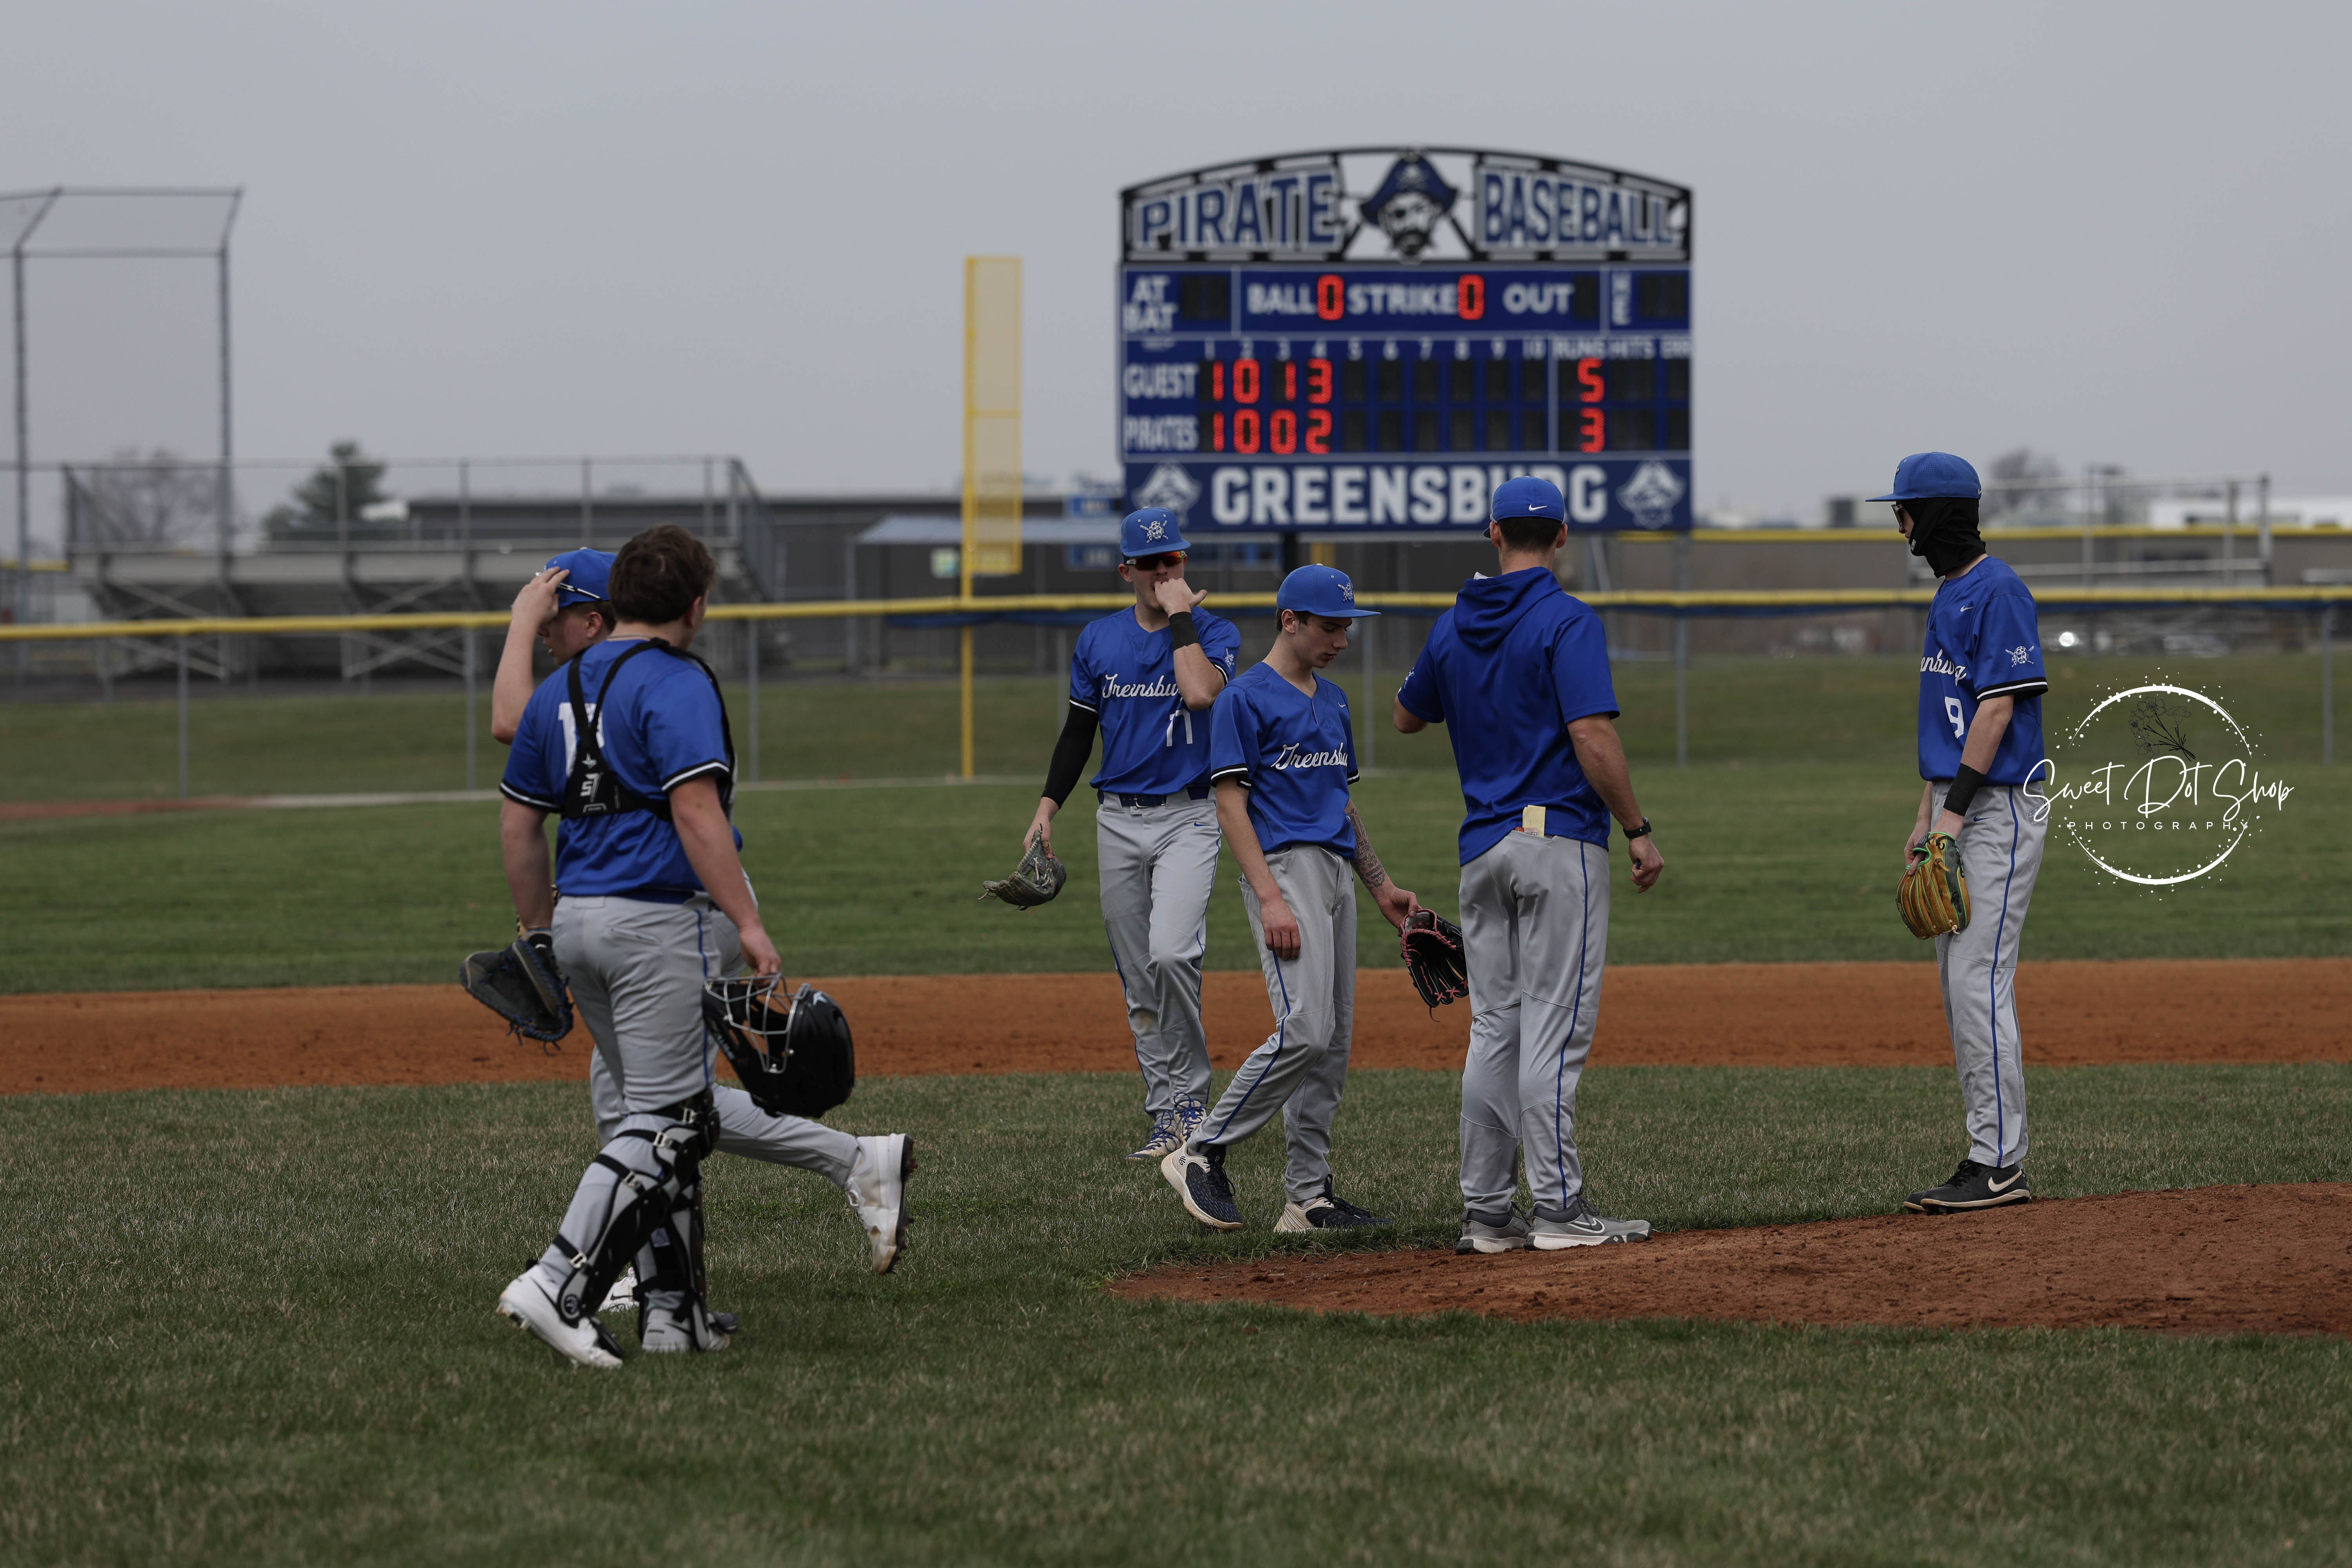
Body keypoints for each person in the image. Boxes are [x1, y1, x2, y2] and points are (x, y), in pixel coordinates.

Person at [493, 526, 909, 1368]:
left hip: (579, 919)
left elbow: (519, 824)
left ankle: (673, 1314)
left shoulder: (561, 686)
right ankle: (556, 1280)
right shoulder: (677, 681)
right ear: (696, 606)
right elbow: (695, 810)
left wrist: (538, 933)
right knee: (670, 1121)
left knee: (659, 1112)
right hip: (657, 919)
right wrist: (748, 923)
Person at [1393, 476, 1663, 1254]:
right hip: (1557, 843)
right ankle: (1559, 1209)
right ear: (1563, 536)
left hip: (1481, 850)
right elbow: (1592, 735)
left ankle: (1486, 1214)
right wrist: (1637, 828)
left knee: (1496, 1029)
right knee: (1553, 1029)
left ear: (1493, 532)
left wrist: (1466, 673)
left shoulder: (1452, 623)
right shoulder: (1566, 618)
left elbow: (1407, 716)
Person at [1160, 564, 1417, 1233]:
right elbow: (1230, 805)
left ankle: (1308, 1198)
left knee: (1331, 1043)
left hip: (1336, 875)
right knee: (1304, 1027)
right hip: (1285, 870)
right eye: (1329, 627)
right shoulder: (1244, 699)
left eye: (1347, 628)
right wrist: (1269, 897)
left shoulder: (1334, 700)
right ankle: (1202, 1150)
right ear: (1289, 621)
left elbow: (1343, 804)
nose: (1342, 640)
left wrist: (1381, 886)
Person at [1024, 508, 1240, 1161]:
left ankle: (1194, 1102)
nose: (1162, 572)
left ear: (1185, 561)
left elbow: (1200, 694)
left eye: (1172, 559)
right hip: (1116, 819)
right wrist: (1047, 807)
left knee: (1172, 954)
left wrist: (1181, 618)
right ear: (1126, 571)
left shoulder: (1215, 631)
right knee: (1139, 979)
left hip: (1190, 816)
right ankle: (1166, 1113)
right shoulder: (1098, 640)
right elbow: (1078, 732)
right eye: (1149, 563)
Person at [1873, 452, 2049, 1213]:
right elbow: (1953, 724)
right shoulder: (1950, 592)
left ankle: (2000, 1163)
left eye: (1906, 510)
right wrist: (1928, 815)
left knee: (1978, 979)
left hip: (1999, 805)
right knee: (1960, 986)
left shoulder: (1998, 589)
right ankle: (1988, 1152)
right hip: (1961, 799)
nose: (1901, 525)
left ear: (1939, 514)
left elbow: (1998, 708)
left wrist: (1953, 814)